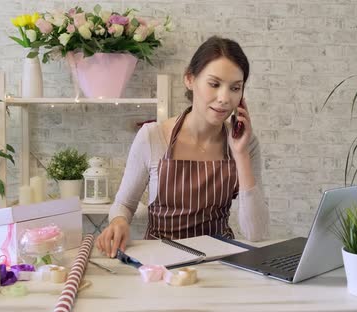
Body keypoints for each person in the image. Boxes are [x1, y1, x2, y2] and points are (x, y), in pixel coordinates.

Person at [95, 36, 269, 258]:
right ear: (190, 79)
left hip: (220, 263)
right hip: (162, 264)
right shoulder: (152, 137)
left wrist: (241, 154)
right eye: (214, 84)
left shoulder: (246, 144)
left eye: (235, 88)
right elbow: (124, 204)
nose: (225, 98)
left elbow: (256, 233)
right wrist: (119, 222)